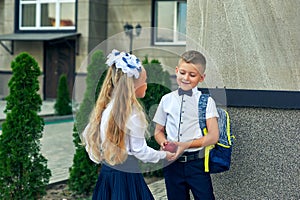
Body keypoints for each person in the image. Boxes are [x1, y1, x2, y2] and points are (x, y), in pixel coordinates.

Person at [82, 49, 175, 200]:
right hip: (128, 179)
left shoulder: (105, 109)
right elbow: (140, 151)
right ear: (133, 85)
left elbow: (90, 139)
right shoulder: (133, 114)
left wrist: (103, 158)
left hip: (107, 176)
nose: (146, 84)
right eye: (144, 81)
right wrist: (163, 155)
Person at [153, 50, 219, 200]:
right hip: (171, 164)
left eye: (192, 75)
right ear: (176, 71)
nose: (186, 78)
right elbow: (158, 131)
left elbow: (213, 136)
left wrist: (185, 145)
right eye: (182, 72)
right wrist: (163, 142)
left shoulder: (207, 102)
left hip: (197, 164)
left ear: (202, 78)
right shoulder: (166, 100)